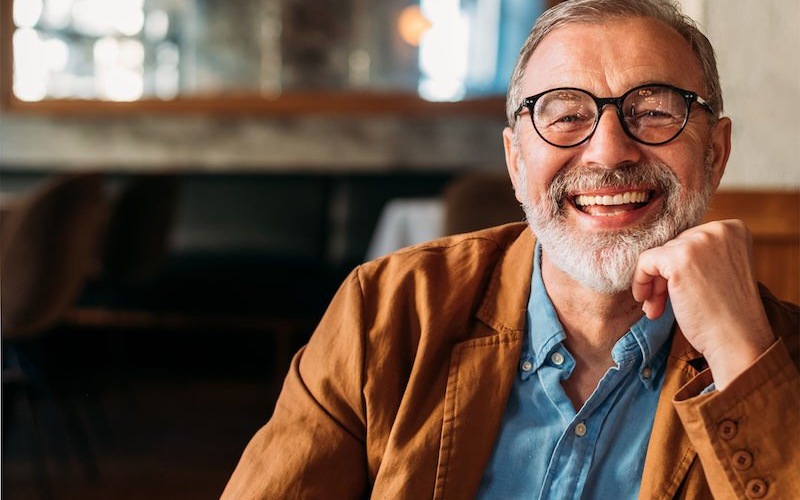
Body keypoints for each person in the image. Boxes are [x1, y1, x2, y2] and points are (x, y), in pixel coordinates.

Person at [222, 0, 799, 498]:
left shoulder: (781, 357)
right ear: (517, 161)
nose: (608, 151)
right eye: (567, 115)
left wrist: (744, 361)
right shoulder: (386, 311)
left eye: (652, 113)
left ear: (715, 154)